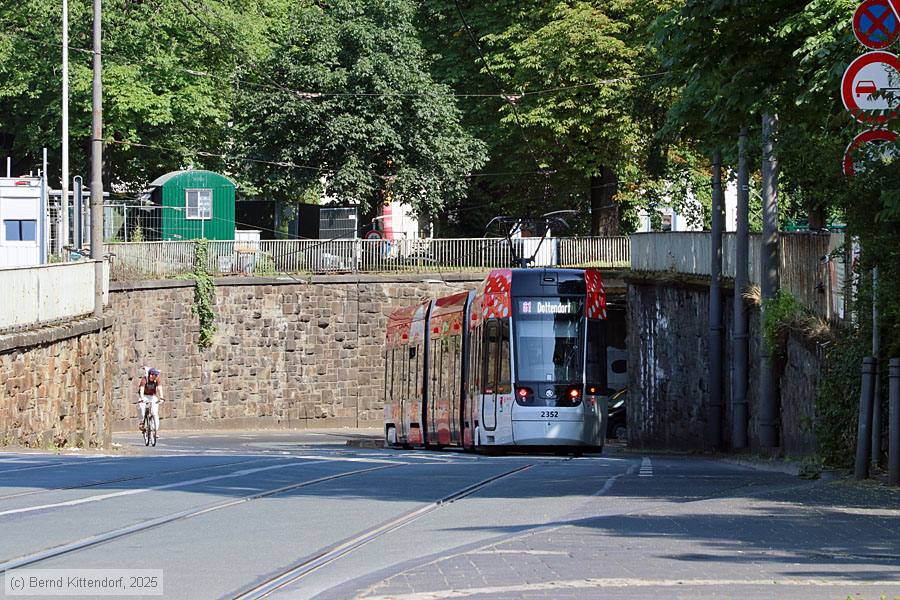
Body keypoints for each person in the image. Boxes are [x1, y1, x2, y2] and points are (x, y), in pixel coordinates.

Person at [138, 368, 163, 434]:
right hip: (144, 395)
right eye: (155, 375)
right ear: (151, 375)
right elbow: (141, 389)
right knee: (142, 409)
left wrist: (161, 397)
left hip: (152, 396)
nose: (156, 376)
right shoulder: (144, 379)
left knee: (155, 413)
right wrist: (142, 398)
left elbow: (159, 388)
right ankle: (142, 422)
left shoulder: (157, 379)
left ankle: (155, 430)